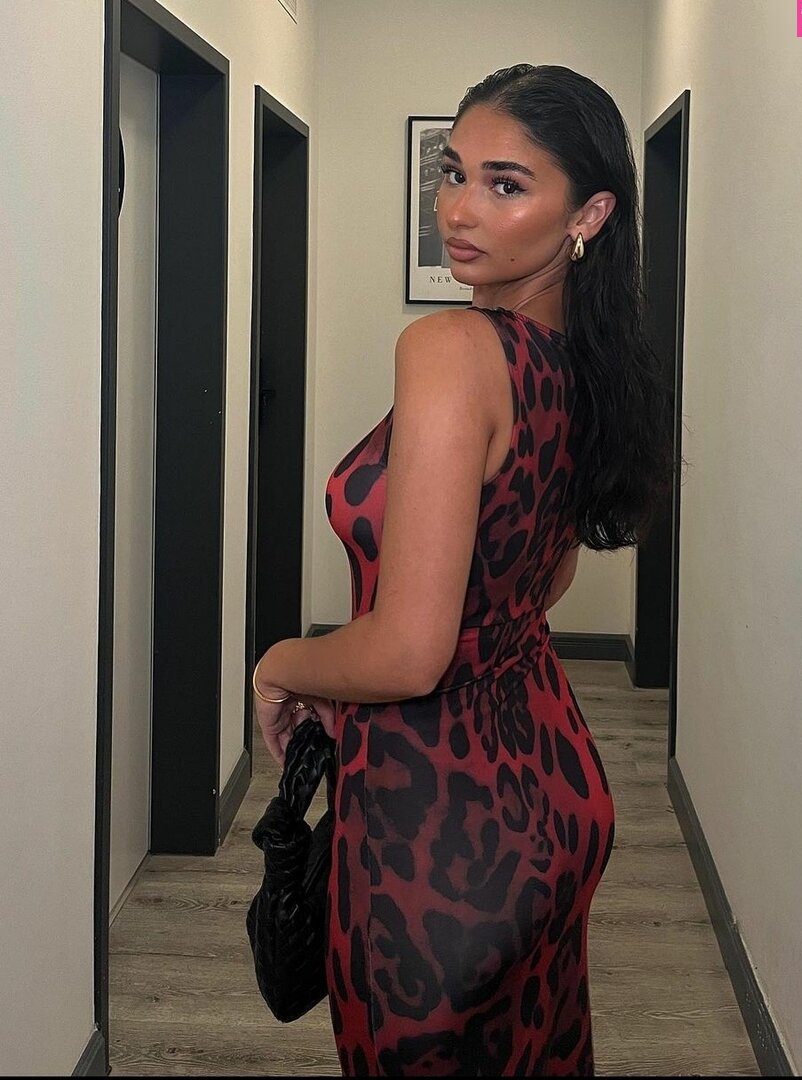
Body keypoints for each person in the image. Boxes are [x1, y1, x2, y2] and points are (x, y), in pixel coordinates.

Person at [253, 63, 676, 1078]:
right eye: (452, 173)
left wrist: (280, 663)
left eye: (505, 183)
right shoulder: (584, 363)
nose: (458, 209)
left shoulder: (450, 348)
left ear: (589, 214)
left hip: (437, 821)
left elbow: (407, 653)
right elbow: (541, 584)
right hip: (550, 781)